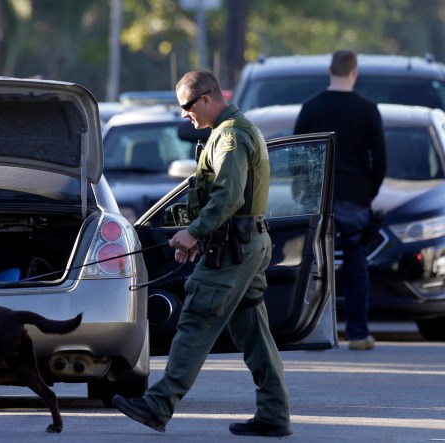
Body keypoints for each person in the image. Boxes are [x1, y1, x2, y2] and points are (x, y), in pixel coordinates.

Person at [112, 70, 292, 437]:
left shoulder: (231, 137)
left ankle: (158, 405)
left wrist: (194, 233)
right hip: (244, 245)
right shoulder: (235, 130)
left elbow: (229, 196)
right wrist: (198, 236)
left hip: (234, 250)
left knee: (195, 319)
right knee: (254, 333)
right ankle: (274, 414)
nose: (183, 114)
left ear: (207, 99)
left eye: (186, 106)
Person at [293, 50, 386, 351]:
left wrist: (302, 193)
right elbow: (380, 160)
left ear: (329, 70)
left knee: (313, 265)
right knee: (356, 264)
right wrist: (368, 192)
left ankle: (308, 331)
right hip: (355, 197)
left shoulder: (311, 108)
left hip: (318, 196)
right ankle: (358, 334)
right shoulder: (368, 109)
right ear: (354, 72)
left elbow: (298, 155)